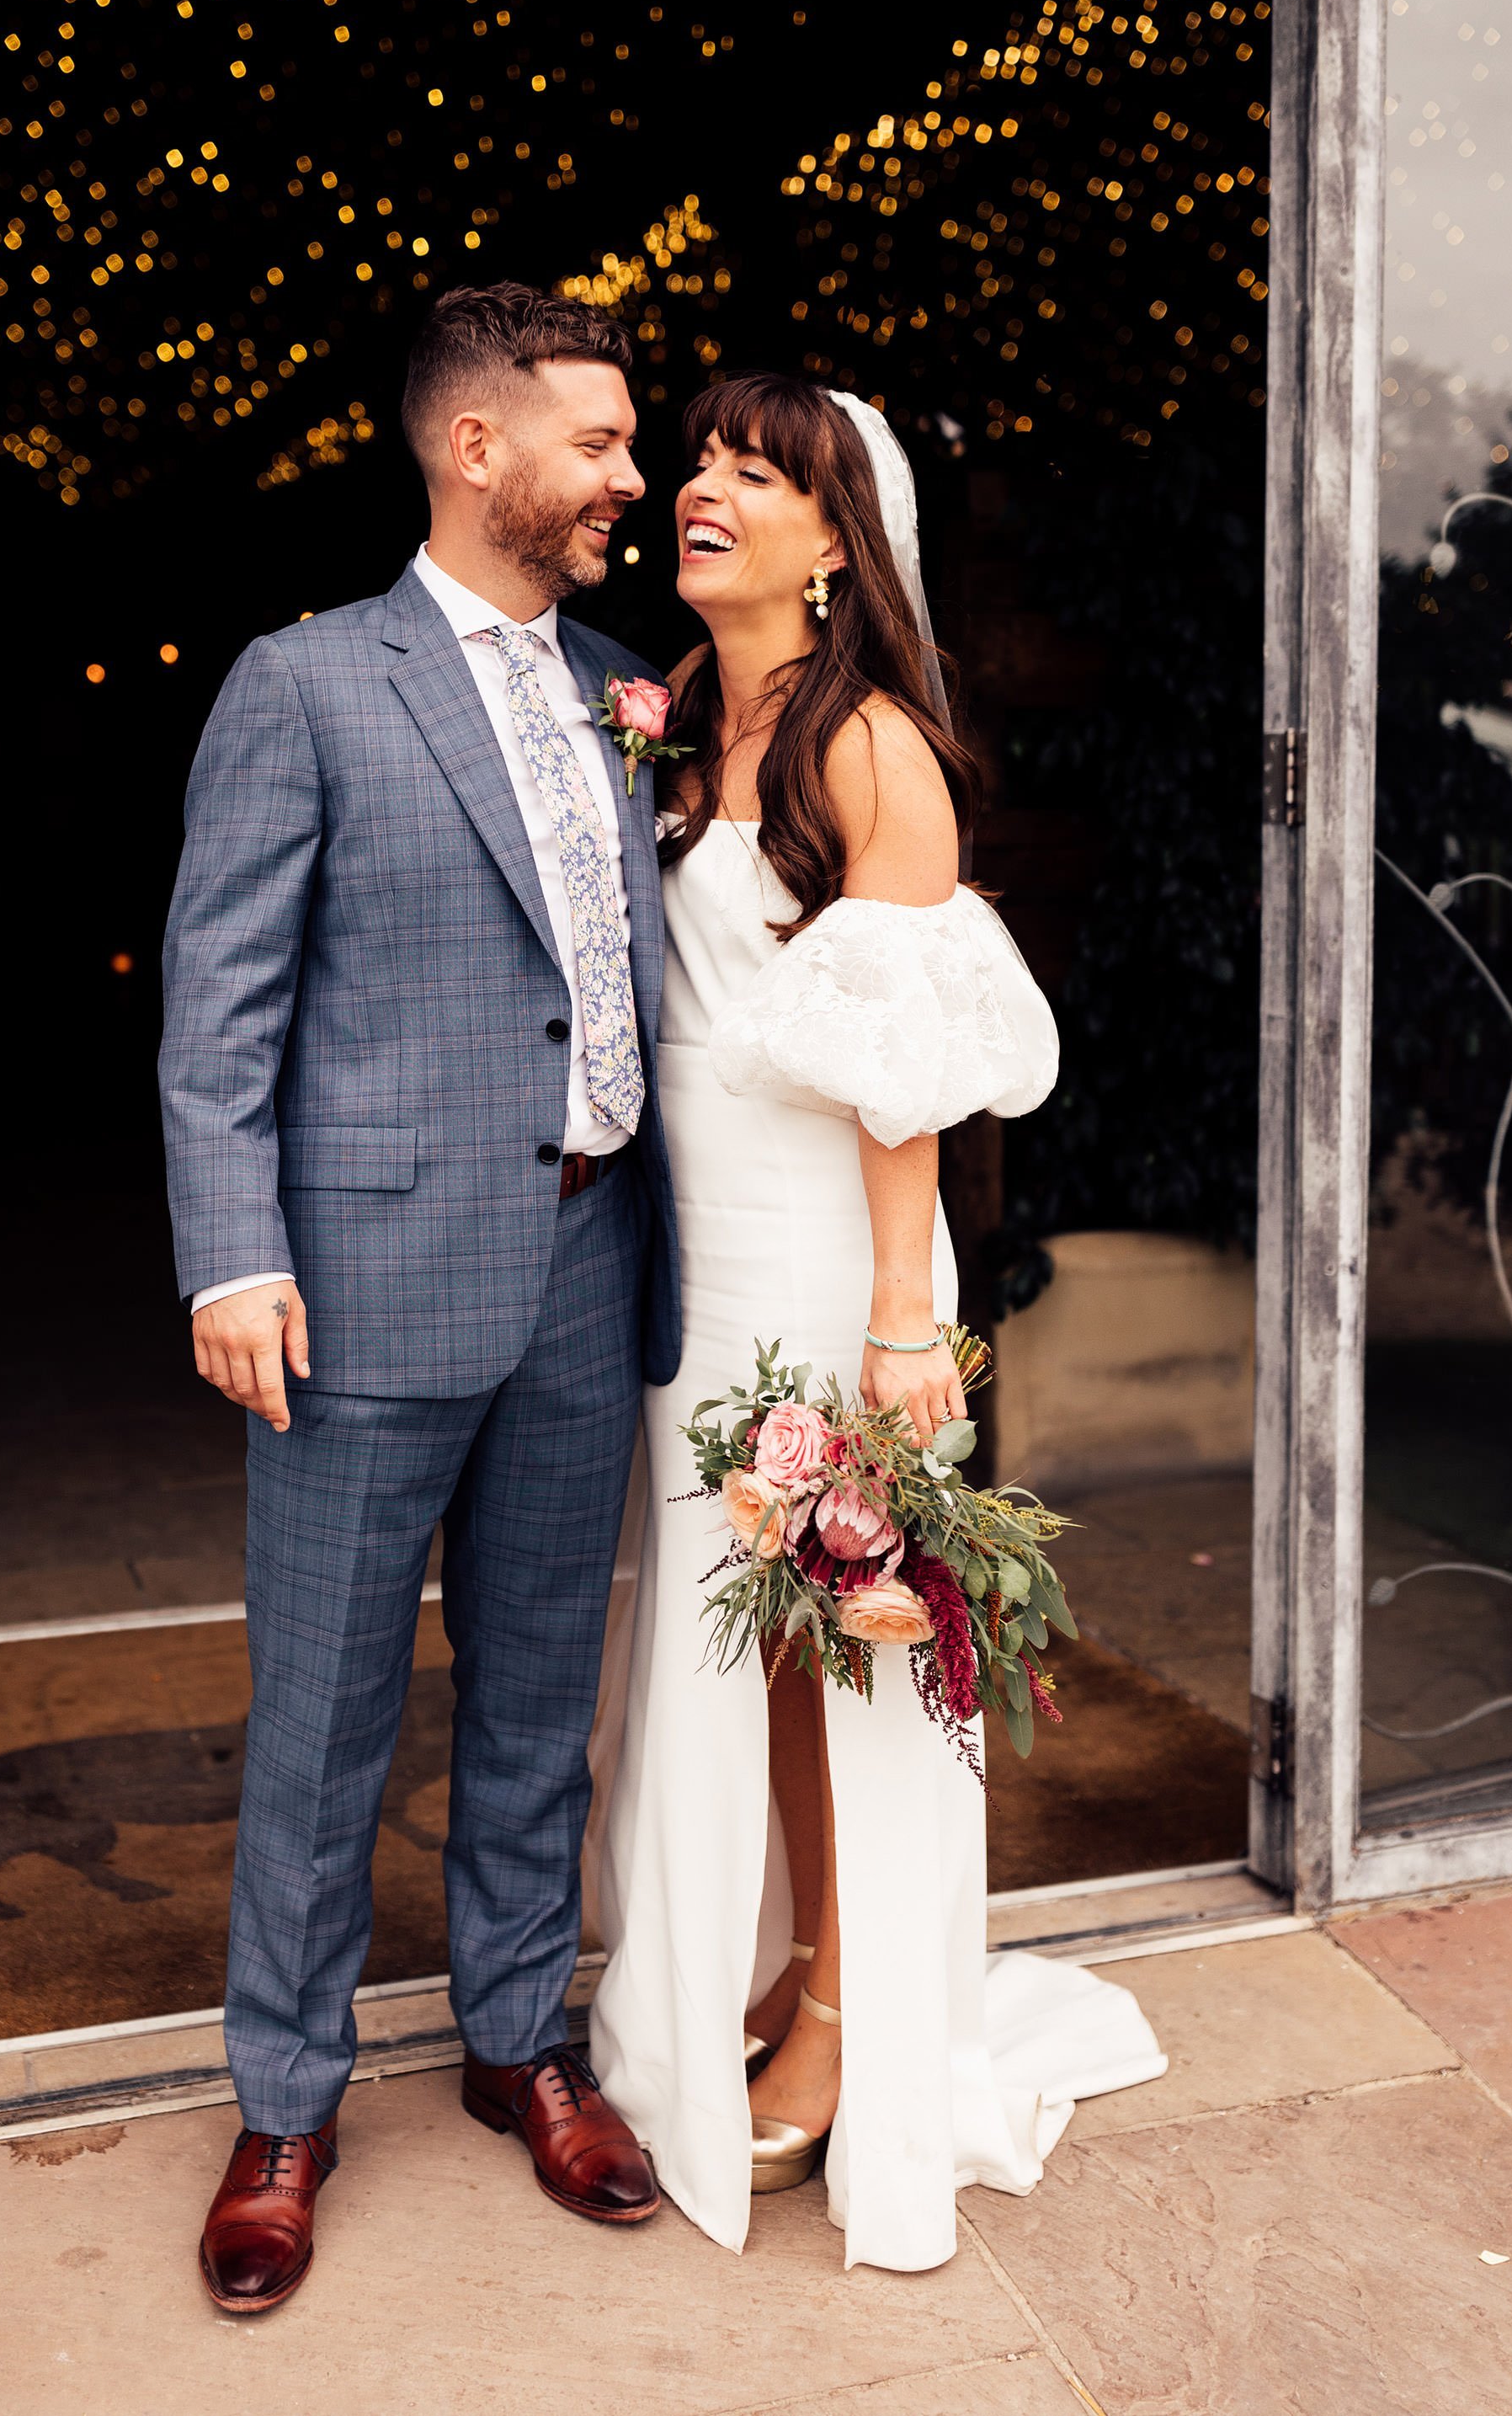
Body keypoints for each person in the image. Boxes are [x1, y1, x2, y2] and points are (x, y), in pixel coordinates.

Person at [588, 375, 1166, 2275]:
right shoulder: (675, 707)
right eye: (700, 461)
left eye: (759, 475)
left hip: (827, 1267)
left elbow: (902, 1073)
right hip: (692, 1259)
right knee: (737, 1649)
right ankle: (771, 1964)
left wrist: (906, 1322)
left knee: (843, 1648)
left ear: (839, 541)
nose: (704, 488)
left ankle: (852, 2022)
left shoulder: (871, 748)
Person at [159, 282, 682, 2314]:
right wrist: (233, 1246)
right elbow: (222, 1003)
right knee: (324, 1725)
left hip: (587, 1261)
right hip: (362, 1284)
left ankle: (517, 2043)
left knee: (543, 1696)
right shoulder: (305, 685)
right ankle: (285, 2103)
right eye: (603, 442)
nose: (629, 477)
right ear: (478, 451)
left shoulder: (629, 682)